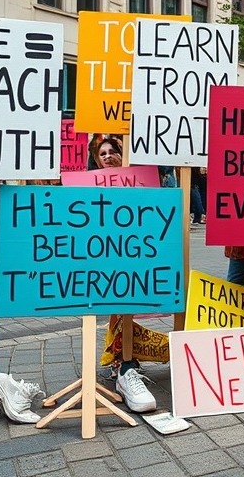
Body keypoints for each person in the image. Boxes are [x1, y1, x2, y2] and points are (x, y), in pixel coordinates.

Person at [89, 136, 156, 413]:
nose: (106, 156)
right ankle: (121, 360)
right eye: (102, 153)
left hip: (132, 252)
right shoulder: (91, 185)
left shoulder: (136, 180)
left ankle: (127, 360)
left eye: (111, 152)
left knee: (129, 308)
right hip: (107, 254)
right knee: (116, 309)